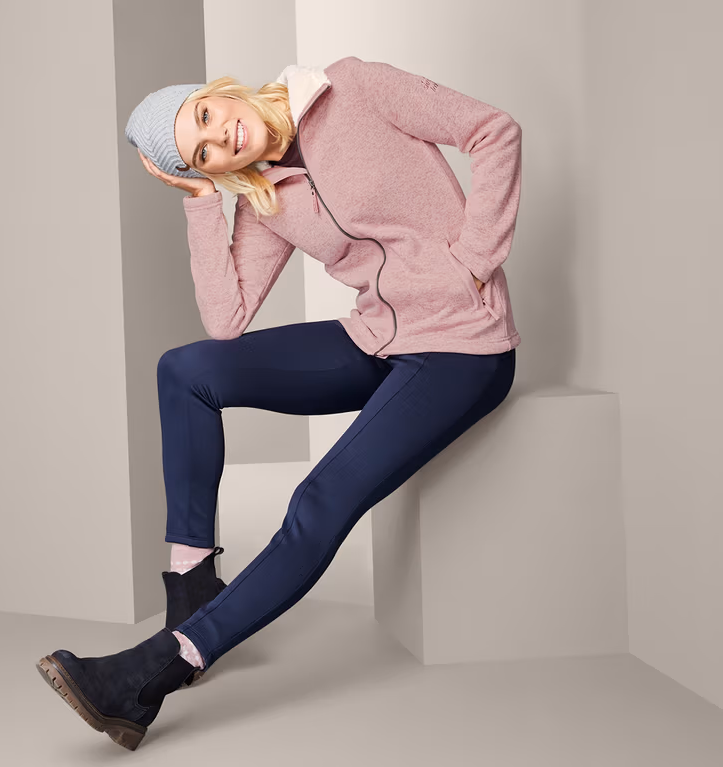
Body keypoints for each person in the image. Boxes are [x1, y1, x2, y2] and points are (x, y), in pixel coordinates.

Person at [35, 56, 522, 750]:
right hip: (379, 337)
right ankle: (193, 588)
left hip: (461, 346)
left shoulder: (351, 87)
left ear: (220, 94)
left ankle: (154, 674)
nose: (219, 139)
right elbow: (226, 321)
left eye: (206, 117)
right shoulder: (264, 194)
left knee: (318, 498)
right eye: (201, 153)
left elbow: (493, 130)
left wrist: (473, 261)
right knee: (185, 371)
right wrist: (202, 200)